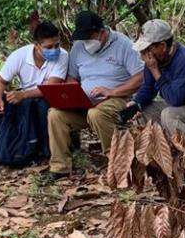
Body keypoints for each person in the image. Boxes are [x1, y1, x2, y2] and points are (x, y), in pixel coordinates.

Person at [45, 10, 144, 179]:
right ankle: (60, 167)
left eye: (89, 37)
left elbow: (140, 77)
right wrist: (70, 95)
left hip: (117, 99)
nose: (86, 43)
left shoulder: (123, 44)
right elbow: (72, 78)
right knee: (55, 114)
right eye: (83, 39)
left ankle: (118, 163)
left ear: (102, 33)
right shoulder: (78, 47)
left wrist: (112, 91)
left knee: (97, 113)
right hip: (85, 102)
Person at [0, 21, 68, 169]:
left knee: (43, 106)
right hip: (24, 95)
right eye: (49, 47)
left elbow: (51, 87)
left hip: (44, 96)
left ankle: (43, 150)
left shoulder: (63, 56)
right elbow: (0, 82)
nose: (54, 50)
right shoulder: (19, 56)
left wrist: (24, 95)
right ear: (37, 45)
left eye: (57, 45)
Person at [117, 19, 185, 135]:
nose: (144, 55)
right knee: (141, 112)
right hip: (181, 107)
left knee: (169, 115)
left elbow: (174, 99)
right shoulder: (156, 59)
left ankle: (184, 150)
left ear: (162, 46)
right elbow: (148, 89)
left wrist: (155, 71)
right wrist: (137, 103)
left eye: (148, 49)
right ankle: (154, 148)